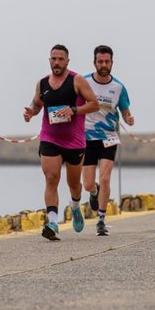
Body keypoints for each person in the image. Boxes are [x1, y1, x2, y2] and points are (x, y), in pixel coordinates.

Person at [23, 44, 100, 241]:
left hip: (74, 142)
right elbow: (37, 103)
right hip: (50, 138)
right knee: (51, 178)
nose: (56, 63)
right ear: (49, 60)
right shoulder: (42, 83)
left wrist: (74, 110)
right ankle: (53, 222)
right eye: (53, 59)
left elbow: (94, 104)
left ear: (67, 61)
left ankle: (75, 206)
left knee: (74, 184)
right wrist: (31, 111)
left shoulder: (77, 80)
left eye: (60, 59)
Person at [82, 45, 134, 236]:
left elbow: (125, 109)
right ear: (94, 62)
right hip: (87, 137)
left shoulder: (118, 87)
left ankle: (101, 220)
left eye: (107, 61)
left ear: (112, 62)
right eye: (100, 61)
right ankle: (93, 192)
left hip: (109, 137)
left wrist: (129, 117)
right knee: (87, 184)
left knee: (105, 178)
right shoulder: (84, 82)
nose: (104, 65)